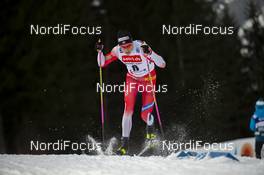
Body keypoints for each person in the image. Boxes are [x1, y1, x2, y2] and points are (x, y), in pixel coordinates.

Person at [95, 30, 166, 155]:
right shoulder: (117, 50)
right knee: (128, 110)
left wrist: (150, 53)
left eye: (128, 46)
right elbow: (102, 63)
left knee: (144, 115)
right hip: (132, 79)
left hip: (148, 79)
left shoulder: (141, 46)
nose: (126, 49)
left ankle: (150, 127)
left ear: (132, 42)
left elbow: (162, 64)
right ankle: (125, 145)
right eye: (123, 47)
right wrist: (99, 52)